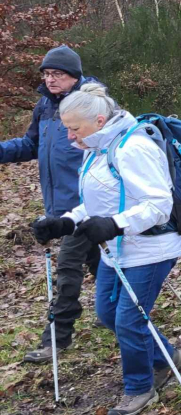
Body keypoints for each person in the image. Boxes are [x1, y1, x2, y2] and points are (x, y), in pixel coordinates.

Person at [31, 84, 181, 415]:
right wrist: (64, 222)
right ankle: (169, 357)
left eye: (75, 129)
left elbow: (159, 204)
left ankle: (139, 388)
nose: (71, 137)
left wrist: (115, 224)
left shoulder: (133, 147)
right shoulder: (96, 148)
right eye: (67, 129)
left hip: (150, 249)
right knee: (107, 313)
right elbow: (94, 204)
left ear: (100, 120)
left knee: (130, 320)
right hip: (116, 251)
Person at [1, 46, 103, 364]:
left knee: (68, 270)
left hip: (87, 203)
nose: (50, 79)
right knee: (99, 259)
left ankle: (55, 340)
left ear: (74, 75)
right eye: (46, 74)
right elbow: (32, 144)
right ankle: (117, 306)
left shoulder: (91, 104)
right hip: (57, 205)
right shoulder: (44, 106)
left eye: (57, 74)